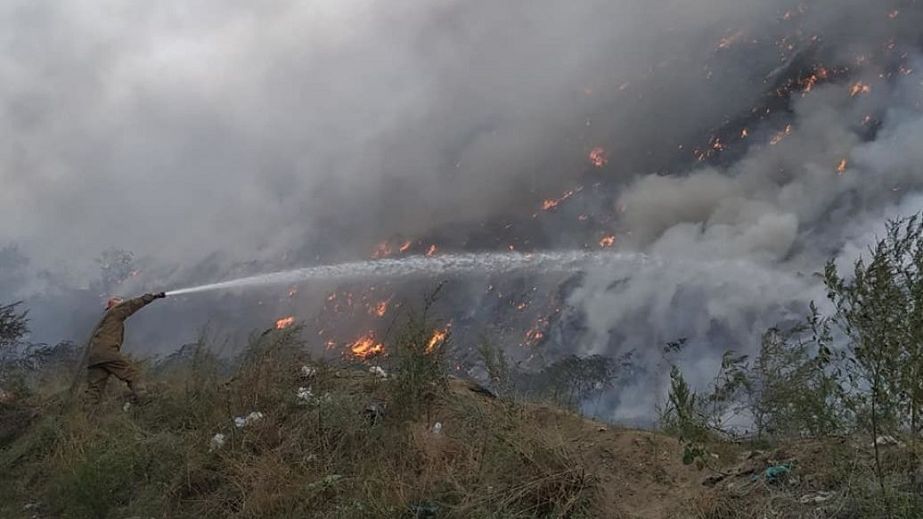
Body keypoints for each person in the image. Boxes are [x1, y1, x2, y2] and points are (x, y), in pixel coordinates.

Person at [85, 292, 165, 405]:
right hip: (108, 353)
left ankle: (86, 416)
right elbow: (130, 305)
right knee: (133, 375)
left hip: (95, 357)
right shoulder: (114, 312)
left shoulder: (104, 320)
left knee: (94, 391)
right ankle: (145, 401)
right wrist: (148, 298)